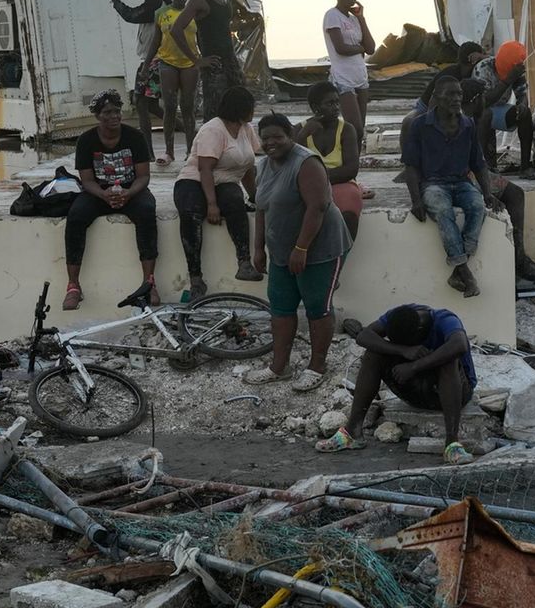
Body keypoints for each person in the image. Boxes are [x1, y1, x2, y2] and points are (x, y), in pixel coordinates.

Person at [244, 114, 353, 389]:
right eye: (265, 137)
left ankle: (317, 366)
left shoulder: (306, 163)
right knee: (280, 308)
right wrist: (258, 249)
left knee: (317, 307)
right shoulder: (264, 166)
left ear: (290, 135)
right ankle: (279, 367)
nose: (271, 142)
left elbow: (318, 207)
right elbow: (261, 208)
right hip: (281, 251)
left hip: (320, 249)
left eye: (277, 136)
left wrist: (301, 248)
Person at [316, 304, 477, 465]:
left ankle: (452, 444)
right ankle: (352, 433)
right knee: (372, 354)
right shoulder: (397, 315)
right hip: (414, 389)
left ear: (420, 330)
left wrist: (414, 366)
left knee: (449, 360)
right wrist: (402, 350)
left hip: (453, 392)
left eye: (408, 344)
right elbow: (364, 336)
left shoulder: (445, 319)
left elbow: (459, 344)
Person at [403, 76, 501, 298]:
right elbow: (411, 166)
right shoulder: (420, 125)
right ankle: (465, 271)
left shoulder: (468, 125)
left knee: (477, 207)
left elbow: (479, 164)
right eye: (450, 94)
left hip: (461, 182)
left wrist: (487, 193)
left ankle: (459, 268)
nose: (457, 99)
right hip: (433, 183)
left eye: (459, 94)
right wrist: (416, 200)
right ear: (437, 97)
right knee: (443, 211)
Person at [63, 91, 158, 311]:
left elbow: (143, 176)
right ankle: (73, 285)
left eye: (117, 111)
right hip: (98, 192)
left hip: (131, 190)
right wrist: (104, 194)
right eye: (107, 112)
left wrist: (128, 193)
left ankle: (149, 282)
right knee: (76, 216)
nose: (114, 116)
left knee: (146, 211)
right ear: (98, 116)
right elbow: (86, 180)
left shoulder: (135, 137)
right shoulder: (87, 140)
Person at [458, 79, 535, 283]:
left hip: (470, 172)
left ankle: (520, 257)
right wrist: (486, 190)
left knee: (514, 192)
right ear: (476, 100)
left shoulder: (470, 118)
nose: (487, 100)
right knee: (514, 194)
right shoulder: (464, 121)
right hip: (459, 177)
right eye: (483, 96)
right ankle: (519, 260)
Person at [173, 85, 262, 302]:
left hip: (226, 181)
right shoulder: (213, 130)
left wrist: (254, 195)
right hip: (194, 180)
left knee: (235, 200)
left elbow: (248, 166)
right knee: (191, 214)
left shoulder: (246, 129)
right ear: (240, 108)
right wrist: (211, 204)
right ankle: (195, 278)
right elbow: (205, 169)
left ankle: (244, 262)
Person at [172, 0, 242, 124]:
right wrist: (197, 61)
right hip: (214, 66)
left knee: (237, 109)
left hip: (230, 62)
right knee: (215, 115)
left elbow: (224, 30)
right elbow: (176, 29)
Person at [101, 0, 170, 142]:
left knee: (140, 102)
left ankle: (148, 150)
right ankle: (186, 129)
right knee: (151, 105)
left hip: (153, 60)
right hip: (155, 59)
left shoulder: (155, 2)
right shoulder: (157, 1)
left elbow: (130, 15)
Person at [297, 81, 363, 240]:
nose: (336, 108)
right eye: (330, 103)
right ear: (315, 107)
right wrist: (302, 137)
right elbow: (292, 165)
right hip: (310, 187)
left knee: (349, 208)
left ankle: (341, 257)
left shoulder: (347, 129)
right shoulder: (301, 129)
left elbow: (351, 169)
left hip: (338, 183)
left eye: (337, 102)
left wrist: (318, 179)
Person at [145, 0, 199, 165]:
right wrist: (146, 64)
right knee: (169, 106)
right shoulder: (161, 13)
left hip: (190, 63)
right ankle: (169, 152)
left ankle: (191, 150)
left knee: (187, 106)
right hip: (167, 62)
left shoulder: (194, 12)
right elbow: (156, 40)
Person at [323, 0, 377, 146]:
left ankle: (354, 169)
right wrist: (360, 48)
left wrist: (361, 18)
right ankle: (346, 165)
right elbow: (341, 48)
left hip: (360, 77)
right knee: (354, 128)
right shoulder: (332, 16)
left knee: (360, 132)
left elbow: (371, 47)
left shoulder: (354, 19)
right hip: (343, 78)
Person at [471, 40, 535, 173]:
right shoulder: (483, 68)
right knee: (486, 114)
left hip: (498, 109)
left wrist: (522, 105)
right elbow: (484, 102)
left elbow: (522, 94)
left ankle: (525, 166)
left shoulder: (517, 70)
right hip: (478, 111)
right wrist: (508, 80)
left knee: (526, 114)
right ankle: (483, 166)